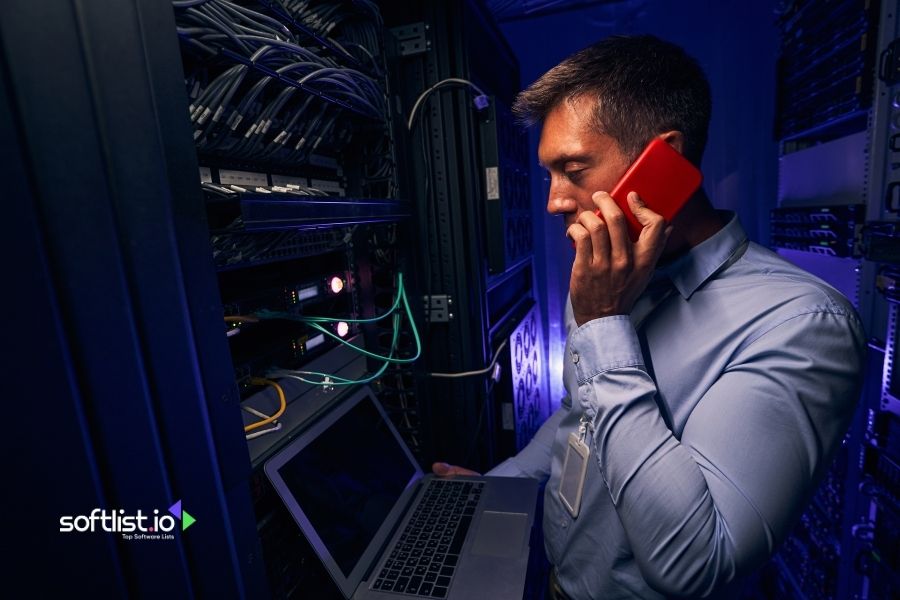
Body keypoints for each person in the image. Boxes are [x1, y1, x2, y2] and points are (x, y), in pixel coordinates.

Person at [432, 34, 866, 599]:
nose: (554, 201)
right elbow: (575, 421)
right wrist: (501, 488)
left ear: (665, 161)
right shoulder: (601, 283)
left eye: (573, 169)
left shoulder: (800, 325)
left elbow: (696, 562)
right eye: (549, 175)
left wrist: (605, 327)